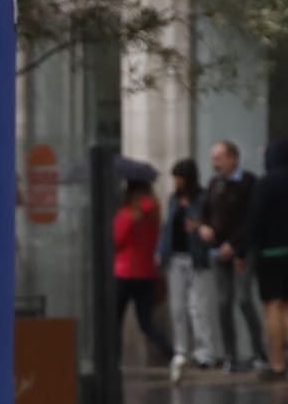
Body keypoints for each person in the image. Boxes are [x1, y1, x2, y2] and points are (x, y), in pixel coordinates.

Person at [198, 140, 265, 372]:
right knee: (223, 302)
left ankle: (259, 352)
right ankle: (230, 354)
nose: (215, 163)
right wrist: (204, 228)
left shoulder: (248, 183)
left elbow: (251, 219)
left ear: (233, 158)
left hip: (241, 252)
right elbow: (206, 213)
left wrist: (236, 246)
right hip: (218, 251)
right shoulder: (215, 184)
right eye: (213, 158)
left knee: (244, 300)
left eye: (219, 158)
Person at [249, 137, 288, 378]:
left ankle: (277, 363)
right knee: (285, 299)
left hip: (269, 250)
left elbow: (255, 218)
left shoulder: (266, 184)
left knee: (272, 304)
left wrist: (243, 248)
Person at [158, 159, 219, 380]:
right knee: (177, 307)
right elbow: (167, 227)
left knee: (198, 306)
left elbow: (208, 223)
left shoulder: (202, 198)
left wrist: (197, 226)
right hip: (175, 256)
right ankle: (181, 350)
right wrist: (161, 251)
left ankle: (205, 351)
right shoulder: (173, 199)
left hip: (196, 256)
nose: (176, 182)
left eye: (179, 178)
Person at [111, 177, 172, 369]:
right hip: (147, 273)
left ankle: (114, 362)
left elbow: (117, 240)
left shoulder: (126, 214)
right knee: (146, 323)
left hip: (124, 272)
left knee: (114, 322)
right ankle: (171, 354)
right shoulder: (154, 213)